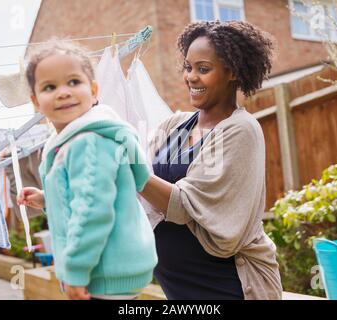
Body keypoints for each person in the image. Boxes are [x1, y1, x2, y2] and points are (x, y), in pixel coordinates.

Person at [138, 20, 283, 300]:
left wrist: (131, 171)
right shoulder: (175, 125)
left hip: (228, 284)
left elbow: (182, 205)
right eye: (188, 67)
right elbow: (136, 190)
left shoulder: (241, 130)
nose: (191, 77)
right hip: (181, 289)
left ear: (232, 72)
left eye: (203, 69)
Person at [17, 40, 157, 300]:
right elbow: (88, 196)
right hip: (110, 268)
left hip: (102, 272)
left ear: (93, 91)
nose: (63, 92)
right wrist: (47, 198)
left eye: (73, 82)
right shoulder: (73, 141)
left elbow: (93, 210)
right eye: (50, 86)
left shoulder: (88, 142)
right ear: (36, 101)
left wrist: (76, 271)